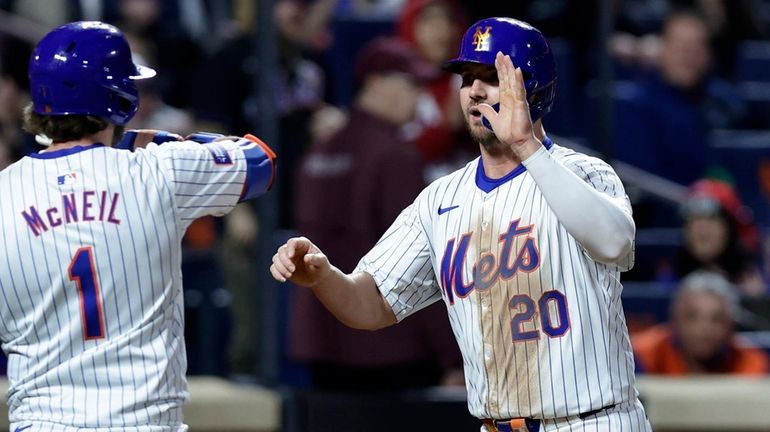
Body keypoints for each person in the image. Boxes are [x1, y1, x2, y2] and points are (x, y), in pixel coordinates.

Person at [273, 17, 652, 431]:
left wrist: (525, 144)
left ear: (535, 89)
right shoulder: (440, 199)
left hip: (590, 421)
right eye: (467, 78)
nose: (474, 90)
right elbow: (373, 304)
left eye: (492, 77)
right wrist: (324, 277)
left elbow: (616, 244)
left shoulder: (582, 172)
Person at [0, 21, 276, 431]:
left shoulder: (4, 193)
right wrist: (156, 140)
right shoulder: (158, 169)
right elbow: (260, 162)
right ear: (120, 98)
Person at [289, 36, 464, 391]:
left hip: (322, 341)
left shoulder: (318, 153)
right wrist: (452, 356)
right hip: (390, 348)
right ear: (375, 82)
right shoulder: (396, 157)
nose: (419, 96)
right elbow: (417, 262)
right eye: (411, 84)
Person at [633, 271, 769, 375]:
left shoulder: (753, 366)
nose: (704, 329)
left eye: (716, 319)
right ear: (675, 319)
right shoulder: (642, 356)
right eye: (692, 317)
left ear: (730, 325)